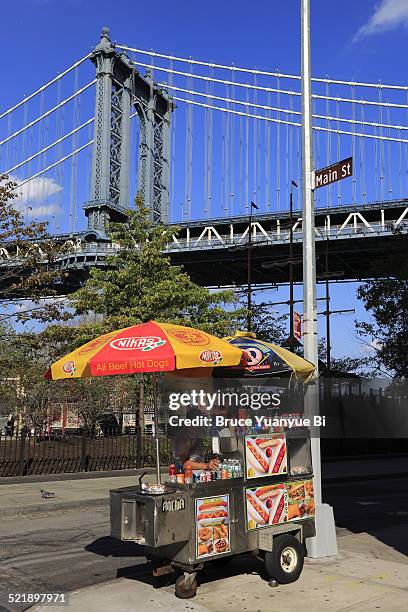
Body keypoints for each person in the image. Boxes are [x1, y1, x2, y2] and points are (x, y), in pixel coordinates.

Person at [172, 404, 220, 472]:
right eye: (198, 424)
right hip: (185, 475)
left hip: (198, 473)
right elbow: (184, 464)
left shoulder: (197, 437)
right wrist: (206, 465)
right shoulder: (182, 438)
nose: (201, 427)